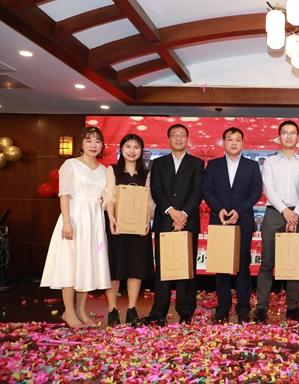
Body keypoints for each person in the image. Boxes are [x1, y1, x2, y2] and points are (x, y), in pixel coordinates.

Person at [40, 126, 111, 328]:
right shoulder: (70, 164)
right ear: (81, 143)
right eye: (89, 140)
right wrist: (67, 222)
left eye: (97, 141)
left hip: (94, 221)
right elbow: (64, 195)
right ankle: (68, 312)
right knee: (70, 265)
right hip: (74, 219)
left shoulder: (103, 170)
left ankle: (81, 310)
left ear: (102, 145)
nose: (93, 145)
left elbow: (106, 198)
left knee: (86, 266)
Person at [142, 124, 204, 326]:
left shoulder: (197, 163)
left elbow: (198, 192)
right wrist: (172, 212)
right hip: (164, 220)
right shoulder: (159, 163)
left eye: (182, 135)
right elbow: (156, 190)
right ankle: (159, 311)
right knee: (163, 268)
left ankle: (185, 311)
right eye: (174, 135)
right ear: (168, 139)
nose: (178, 138)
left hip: (188, 221)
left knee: (187, 268)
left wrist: (183, 214)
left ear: (187, 138)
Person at [203, 127, 262, 323]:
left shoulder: (252, 166)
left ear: (242, 143)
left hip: (242, 221)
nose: (234, 142)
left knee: (243, 266)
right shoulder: (213, 165)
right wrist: (219, 209)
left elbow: (256, 192)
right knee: (222, 267)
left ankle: (243, 308)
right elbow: (207, 190)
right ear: (224, 142)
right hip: (219, 221)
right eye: (230, 139)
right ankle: (223, 308)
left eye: (238, 139)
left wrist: (239, 211)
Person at [254, 120, 299, 324]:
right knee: (267, 262)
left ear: (298, 137)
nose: (289, 136)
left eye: (293, 132)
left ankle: (292, 308)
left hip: (297, 214)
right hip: (274, 213)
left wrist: (296, 213)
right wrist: (285, 211)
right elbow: (268, 188)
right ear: (279, 137)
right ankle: (261, 307)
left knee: (293, 263)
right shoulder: (270, 162)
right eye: (285, 132)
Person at [104, 134, 155, 326]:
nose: (132, 151)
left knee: (136, 267)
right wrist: (111, 218)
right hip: (117, 226)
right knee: (115, 268)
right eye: (128, 146)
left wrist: (147, 221)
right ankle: (112, 310)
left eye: (136, 147)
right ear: (121, 149)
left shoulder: (146, 173)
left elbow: (149, 201)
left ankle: (132, 309)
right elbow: (109, 196)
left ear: (141, 151)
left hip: (138, 227)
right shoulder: (113, 170)